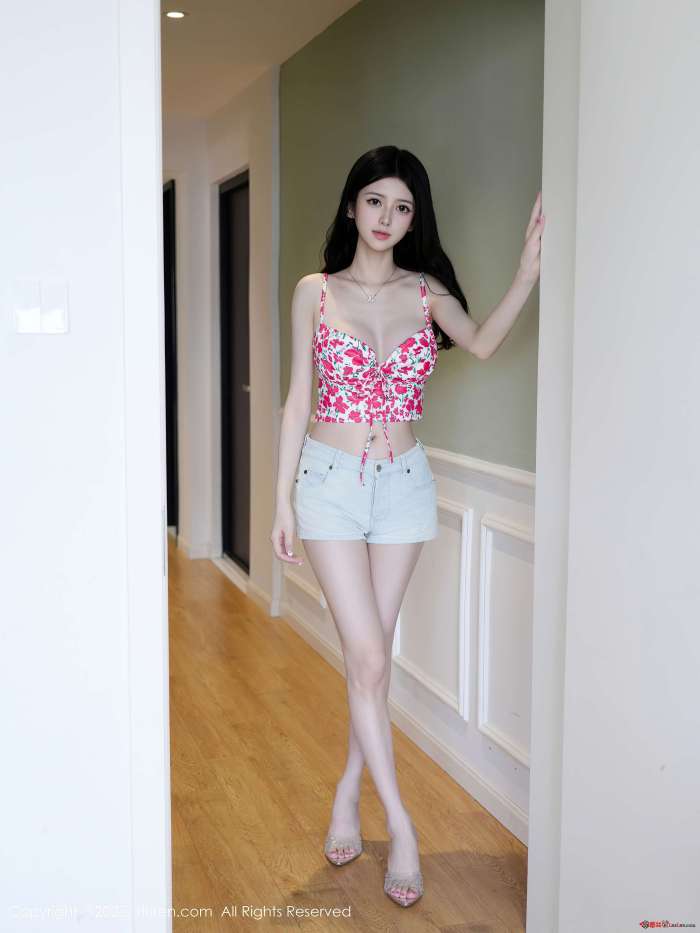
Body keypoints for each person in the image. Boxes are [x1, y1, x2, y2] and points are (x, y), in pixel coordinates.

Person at [271, 146, 544, 908]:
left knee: (372, 662)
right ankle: (402, 824)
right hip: (328, 485)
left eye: (402, 207)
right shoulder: (314, 292)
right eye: (375, 201)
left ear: (413, 218)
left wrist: (527, 270)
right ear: (351, 206)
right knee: (366, 655)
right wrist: (281, 502)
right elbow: (298, 399)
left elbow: (482, 341)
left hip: (404, 488)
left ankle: (348, 789)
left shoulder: (426, 293)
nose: (386, 218)